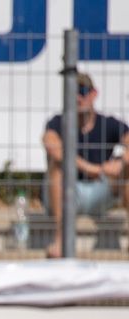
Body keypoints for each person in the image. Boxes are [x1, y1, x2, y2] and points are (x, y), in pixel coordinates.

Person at [42, 72, 129, 258]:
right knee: (56, 167)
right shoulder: (58, 122)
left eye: (82, 91)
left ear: (93, 94)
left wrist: (120, 162)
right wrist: (93, 169)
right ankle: (60, 240)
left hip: (101, 192)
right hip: (68, 192)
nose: (77, 97)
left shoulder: (108, 123)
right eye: (72, 92)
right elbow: (52, 147)